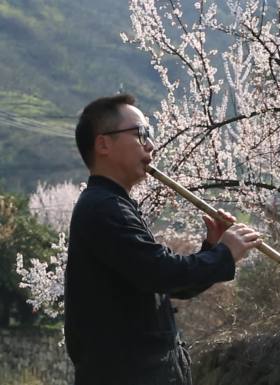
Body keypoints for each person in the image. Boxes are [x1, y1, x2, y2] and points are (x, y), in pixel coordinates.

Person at [65, 94, 261, 385]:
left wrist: (212, 248)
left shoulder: (113, 204)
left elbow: (167, 284)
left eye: (150, 134)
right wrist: (223, 254)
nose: (150, 145)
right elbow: (159, 272)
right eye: (140, 134)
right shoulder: (103, 207)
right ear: (103, 143)